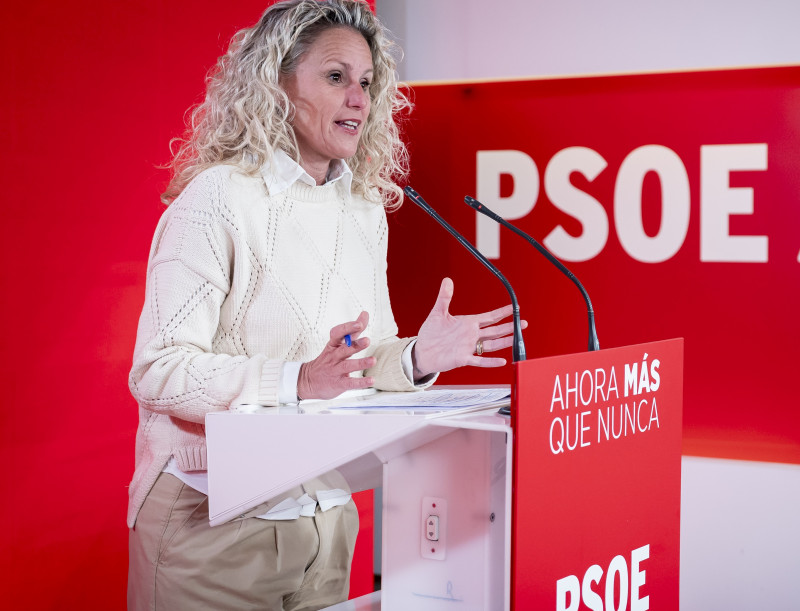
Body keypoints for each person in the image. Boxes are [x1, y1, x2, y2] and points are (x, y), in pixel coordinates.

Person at [126, 1, 521, 608]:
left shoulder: (362, 208)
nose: (359, 98)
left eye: (366, 82)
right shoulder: (218, 199)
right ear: (275, 85)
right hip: (212, 526)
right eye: (336, 77)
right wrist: (297, 379)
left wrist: (415, 358)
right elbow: (159, 369)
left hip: (329, 520)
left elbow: (359, 361)